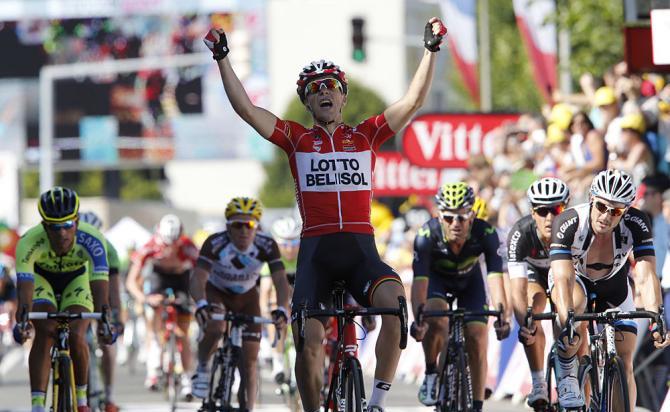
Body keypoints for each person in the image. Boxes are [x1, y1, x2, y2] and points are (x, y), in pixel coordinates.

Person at [203, 15, 447, 412]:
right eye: (314, 90)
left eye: (331, 86)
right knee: (310, 344)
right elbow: (247, 110)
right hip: (316, 256)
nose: (324, 93)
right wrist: (222, 59)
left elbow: (412, 101)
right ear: (308, 102)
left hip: (360, 253)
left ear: (343, 97)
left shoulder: (365, 135)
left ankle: (379, 402)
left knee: (395, 306)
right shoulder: (297, 139)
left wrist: (430, 50)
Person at [549, 169, 670, 410]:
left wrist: (657, 317)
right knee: (576, 307)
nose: (606, 216)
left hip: (614, 284)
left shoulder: (637, 222)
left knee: (625, 360)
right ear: (591, 199)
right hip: (576, 279)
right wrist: (568, 320)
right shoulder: (570, 221)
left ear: (625, 211)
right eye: (602, 206)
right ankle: (567, 368)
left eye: (616, 211)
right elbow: (563, 278)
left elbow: (646, 276)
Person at [410, 182, 510, 412]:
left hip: (469, 282)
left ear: (472, 216)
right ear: (439, 215)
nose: (455, 224)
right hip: (437, 280)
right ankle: (431, 372)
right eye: (448, 218)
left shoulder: (486, 233)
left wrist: (502, 313)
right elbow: (419, 283)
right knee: (436, 318)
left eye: (462, 218)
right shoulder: (426, 235)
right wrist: (419, 319)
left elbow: (495, 279)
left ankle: (476, 405)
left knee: (477, 336)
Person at [13, 187, 112, 412]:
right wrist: (23, 318)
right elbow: (25, 287)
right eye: (54, 227)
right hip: (42, 280)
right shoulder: (29, 242)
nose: (62, 234)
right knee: (46, 331)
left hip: (76, 280)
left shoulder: (93, 239)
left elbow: (99, 284)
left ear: (77, 220)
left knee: (77, 333)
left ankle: (83, 400)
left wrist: (105, 319)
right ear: (44, 226)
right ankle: (37, 406)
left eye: (68, 225)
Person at [190, 197, 290, 410]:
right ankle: (203, 366)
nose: (244, 230)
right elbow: (198, 278)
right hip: (217, 291)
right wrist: (200, 303)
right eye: (237, 225)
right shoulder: (215, 242)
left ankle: (247, 408)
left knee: (250, 361)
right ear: (228, 227)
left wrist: (282, 308)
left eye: (250, 225)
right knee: (216, 327)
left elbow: (280, 281)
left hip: (247, 297)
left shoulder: (267, 244)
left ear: (257, 226)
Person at [507, 177, 570, 409]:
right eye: (542, 211)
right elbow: (517, 288)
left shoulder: (574, 228)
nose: (550, 218)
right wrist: (525, 324)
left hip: (563, 272)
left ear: (567, 206)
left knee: (568, 312)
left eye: (556, 209)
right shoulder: (520, 233)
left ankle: (571, 377)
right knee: (534, 309)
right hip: (535, 273)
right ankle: (538, 382)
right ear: (532, 212)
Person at [125, 213, 198, 396]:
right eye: (166, 244)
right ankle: (153, 369)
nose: (169, 249)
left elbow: (202, 276)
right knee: (154, 321)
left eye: (174, 244)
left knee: (183, 334)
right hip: (159, 279)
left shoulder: (188, 247)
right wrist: (144, 298)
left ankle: (188, 378)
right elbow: (131, 281)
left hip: (182, 280)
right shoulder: (150, 246)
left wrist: (198, 300)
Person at [78, 211, 124, 412]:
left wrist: (116, 316)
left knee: (107, 344)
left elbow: (113, 288)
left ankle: (109, 394)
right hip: (78, 292)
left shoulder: (108, 249)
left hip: (100, 293)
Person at [261, 216, 300, 381]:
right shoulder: (272, 257)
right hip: (277, 290)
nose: (290, 249)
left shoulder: (304, 255)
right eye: (285, 244)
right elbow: (265, 291)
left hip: (297, 289)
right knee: (274, 307)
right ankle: (277, 359)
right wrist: (267, 314)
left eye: (294, 243)